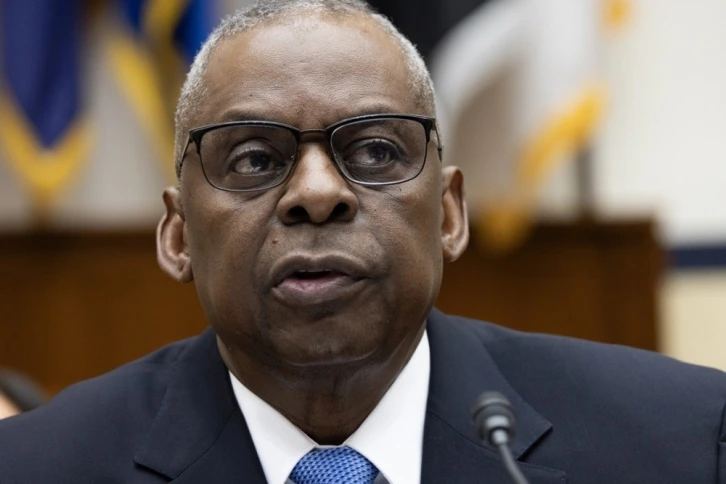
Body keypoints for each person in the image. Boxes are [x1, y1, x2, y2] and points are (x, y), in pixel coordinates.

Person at [1, 1, 724, 482]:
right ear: (178, 234)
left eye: (376, 151)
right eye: (253, 159)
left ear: (449, 214)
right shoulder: (35, 468)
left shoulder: (680, 441)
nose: (318, 193)